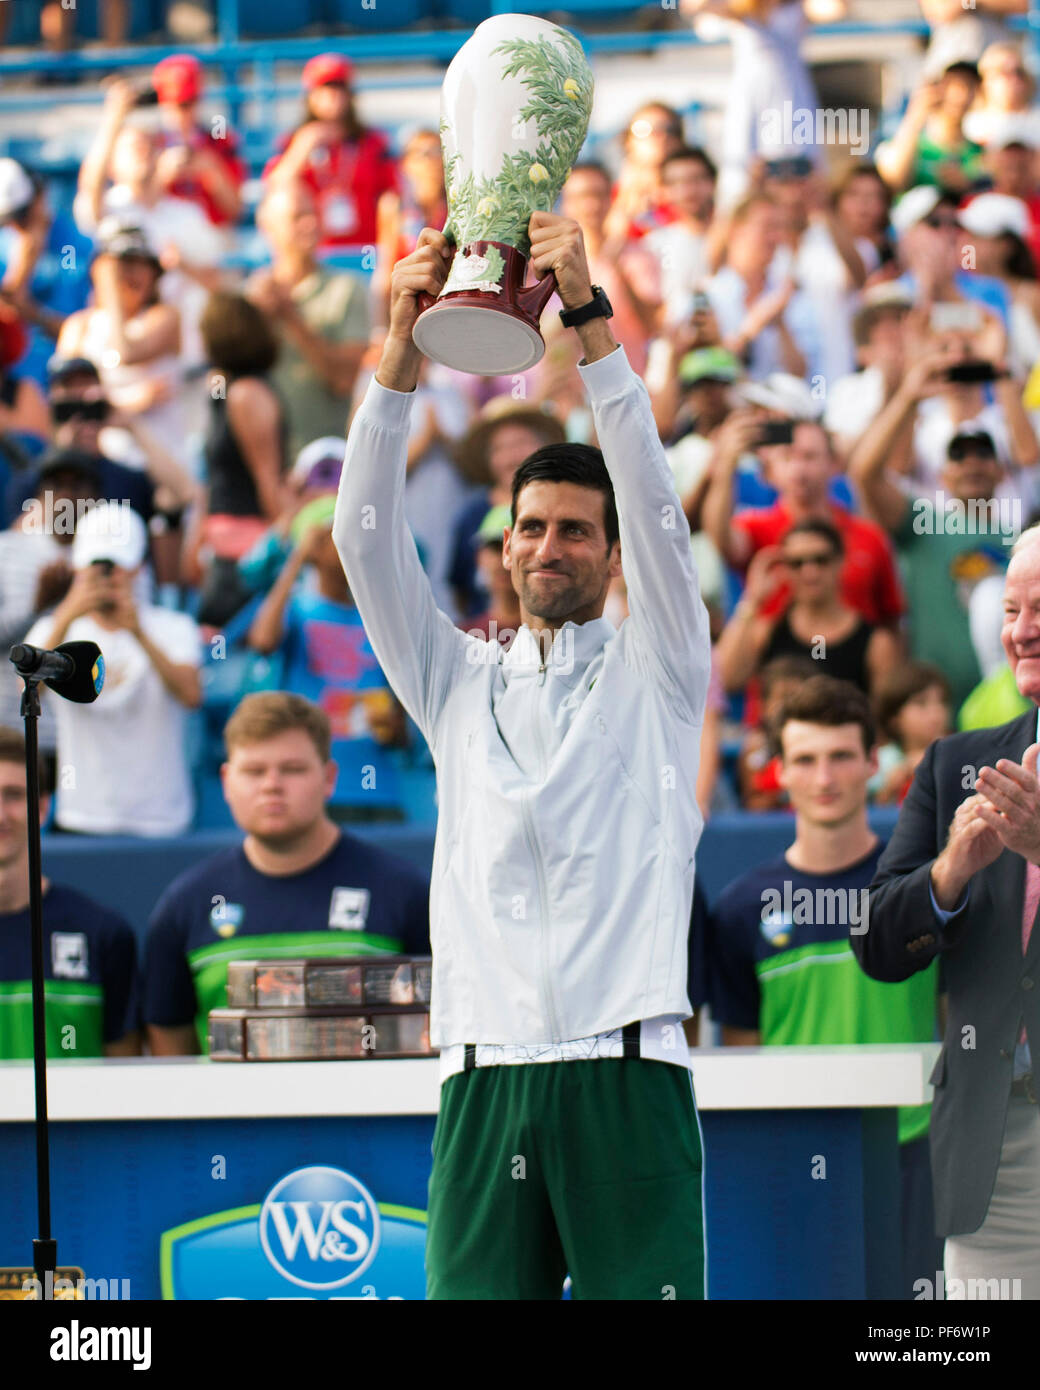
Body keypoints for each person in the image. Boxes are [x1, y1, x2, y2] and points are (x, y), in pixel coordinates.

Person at [335, 213, 712, 1300]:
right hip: (480, 1072)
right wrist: (398, 351)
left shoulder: (660, 669)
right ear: (502, 546)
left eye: (575, 529)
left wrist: (589, 325)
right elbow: (362, 538)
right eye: (532, 526)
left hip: (624, 1068)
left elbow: (652, 502)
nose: (552, 545)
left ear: (607, 552)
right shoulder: (451, 678)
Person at [708, 675, 943, 1298]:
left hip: (915, 1155)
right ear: (778, 771)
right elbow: (742, 1054)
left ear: (873, 761)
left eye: (841, 756)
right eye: (805, 760)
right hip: (792, 1157)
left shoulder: (926, 889)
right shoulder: (738, 909)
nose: (825, 777)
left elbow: (957, 1019)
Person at [856, 522, 1040, 1298]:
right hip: (993, 1152)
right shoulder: (959, 763)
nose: (1022, 631)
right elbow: (878, 943)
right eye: (1009, 610)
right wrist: (951, 871)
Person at [142, 692, 430, 1056]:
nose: (272, 785)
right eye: (254, 771)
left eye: (292, 769)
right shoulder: (185, 905)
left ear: (329, 778)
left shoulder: (405, 892)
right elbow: (172, 1059)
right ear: (227, 781)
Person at [850, 365, 1027, 708]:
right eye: (958, 456)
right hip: (933, 709)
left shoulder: (1024, 544)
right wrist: (908, 397)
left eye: (983, 454)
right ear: (944, 475)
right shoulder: (922, 523)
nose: (972, 463)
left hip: (1008, 709)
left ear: (1001, 471)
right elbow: (864, 473)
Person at [24, 501, 202, 837]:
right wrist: (67, 614)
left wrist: (138, 632)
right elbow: (29, 690)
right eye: (97, 565)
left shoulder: (174, 627)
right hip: (83, 814)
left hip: (160, 816)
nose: (107, 575)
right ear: (79, 567)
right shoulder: (52, 631)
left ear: (138, 567)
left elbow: (191, 695)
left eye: (117, 565)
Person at [247, 494, 410, 820]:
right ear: (315, 546)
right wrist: (296, 558)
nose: (355, 544)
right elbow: (263, 640)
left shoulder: (380, 618)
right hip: (313, 794)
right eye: (340, 535)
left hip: (378, 793)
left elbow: (402, 732)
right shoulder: (297, 610)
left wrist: (393, 726)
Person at [0, 725, 139, 1059]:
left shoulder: (101, 932)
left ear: (43, 806)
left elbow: (128, 1080)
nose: (1, 814)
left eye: (14, 795)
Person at [702, 415, 906, 629]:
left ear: (834, 463)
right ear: (768, 472)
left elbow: (890, 623)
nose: (799, 469)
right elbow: (721, 539)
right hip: (776, 660)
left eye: (809, 456)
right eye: (787, 457)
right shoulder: (754, 528)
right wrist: (725, 467)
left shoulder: (870, 537)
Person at [188, 292, 290, 628]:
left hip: (245, 557)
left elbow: (267, 479)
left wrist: (285, 552)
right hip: (221, 554)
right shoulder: (225, 389)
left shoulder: (248, 395)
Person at [55, 223, 189, 476]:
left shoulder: (165, 317)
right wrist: (126, 404)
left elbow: (125, 352)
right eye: (123, 265)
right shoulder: (78, 327)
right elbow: (65, 403)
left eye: (141, 264)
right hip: (97, 469)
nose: (132, 275)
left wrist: (111, 291)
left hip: (163, 466)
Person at [247, 184, 369, 460]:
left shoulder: (347, 288)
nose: (311, 223)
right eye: (297, 217)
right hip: (265, 463)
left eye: (312, 213)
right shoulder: (251, 298)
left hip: (323, 460)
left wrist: (290, 317)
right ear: (269, 229)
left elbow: (343, 380)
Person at [715, 517, 900, 698]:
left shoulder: (876, 644)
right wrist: (752, 601)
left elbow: (885, 716)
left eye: (821, 560)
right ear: (784, 568)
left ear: (841, 560)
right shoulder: (767, 632)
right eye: (797, 563)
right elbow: (727, 680)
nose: (810, 572)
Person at [264, 53, 398, 252]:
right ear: (310, 96)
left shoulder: (373, 143)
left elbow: (393, 198)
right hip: (315, 251)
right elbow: (275, 190)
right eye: (324, 88)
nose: (332, 95)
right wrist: (302, 147)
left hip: (367, 248)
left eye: (339, 87)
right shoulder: (292, 142)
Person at [447, 398, 565, 620]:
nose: (512, 457)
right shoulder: (471, 515)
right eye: (500, 448)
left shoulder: (563, 505)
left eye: (521, 443)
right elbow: (460, 588)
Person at [0, 157, 94, 388]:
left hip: (62, 378)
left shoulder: (72, 247)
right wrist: (23, 267)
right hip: (17, 379)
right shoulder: (5, 243)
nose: (17, 226)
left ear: (40, 198)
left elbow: (75, 323)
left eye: (22, 215)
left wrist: (29, 310)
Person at [150, 54, 246, 232]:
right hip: (163, 234)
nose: (184, 112)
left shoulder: (220, 139)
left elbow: (236, 211)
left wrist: (213, 170)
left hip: (212, 234)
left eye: (190, 102)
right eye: (178, 103)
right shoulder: (148, 143)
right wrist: (163, 176)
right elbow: (138, 207)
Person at [373, 127, 448, 332]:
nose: (433, 161)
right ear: (406, 164)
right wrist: (381, 331)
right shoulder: (393, 206)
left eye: (439, 152)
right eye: (424, 153)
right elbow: (384, 271)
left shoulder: (458, 207)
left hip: (447, 306)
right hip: (408, 305)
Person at [876, 62, 987, 195]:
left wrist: (968, 188)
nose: (961, 95)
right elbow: (892, 182)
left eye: (969, 86)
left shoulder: (981, 153)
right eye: (951, 84)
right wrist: (915, 117)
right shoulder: (905, 144)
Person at [642, 146, 717, 325]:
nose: (688, 191)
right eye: (677, 183)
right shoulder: (653, 244)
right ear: (665, 191)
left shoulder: (736, 238)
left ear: (712, 182)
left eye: (696, 180)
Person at [872, 661, 953, 805]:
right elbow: (872, 806)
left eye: (942, 702)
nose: (936, 714)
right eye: (921, 704)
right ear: (894, 718)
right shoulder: (881, 761)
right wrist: (892, 786)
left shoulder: (961, 751)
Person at [459, 504, 523, 650]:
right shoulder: (464, 638)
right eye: (495, 547)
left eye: (514, 548)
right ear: (478, 556)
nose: (504, 559)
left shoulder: (551, 636)